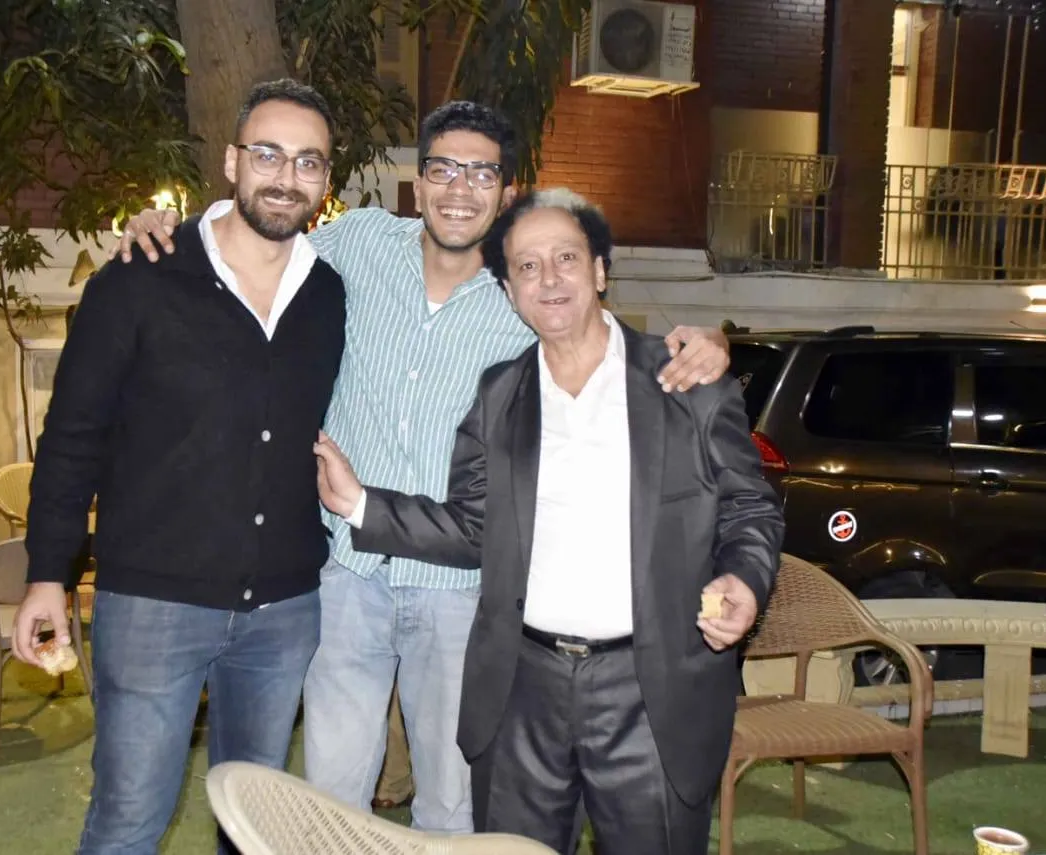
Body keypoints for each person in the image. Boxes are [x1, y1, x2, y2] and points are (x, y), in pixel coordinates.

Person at [113, 101, 733, 833]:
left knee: (453, 806)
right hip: (347, 575)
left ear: (506, 190)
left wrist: (707, 342)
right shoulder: (358, 242)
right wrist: (175, 228)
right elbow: (260, 239)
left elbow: (600, 338)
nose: (459, 188)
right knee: (332, 802)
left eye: (481, 173)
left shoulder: (521, 291)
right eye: (443, 168)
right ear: (419, 181)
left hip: (461, 591)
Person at [314, 189, 785, 855]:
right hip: (521, 694)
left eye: (566, 258)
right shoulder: (498, 394)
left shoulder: (685, 382)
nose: (549, 279)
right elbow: (473, 528)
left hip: (650, 694)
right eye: (527, 267)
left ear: (600, 270)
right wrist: (359, 504)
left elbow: (750, 506)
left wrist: (744, 578)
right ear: (510, 292)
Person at [11, 79, 346, 855]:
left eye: (307, 161)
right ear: (232, 161)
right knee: (128, 823)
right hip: (151, 607)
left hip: (284, 611)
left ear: (326, 180)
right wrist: (47, 575)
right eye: (267, 154)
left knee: (253, 826)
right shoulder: (140, 275)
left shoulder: (330, 292)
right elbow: (72, 436)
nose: (285, 176)